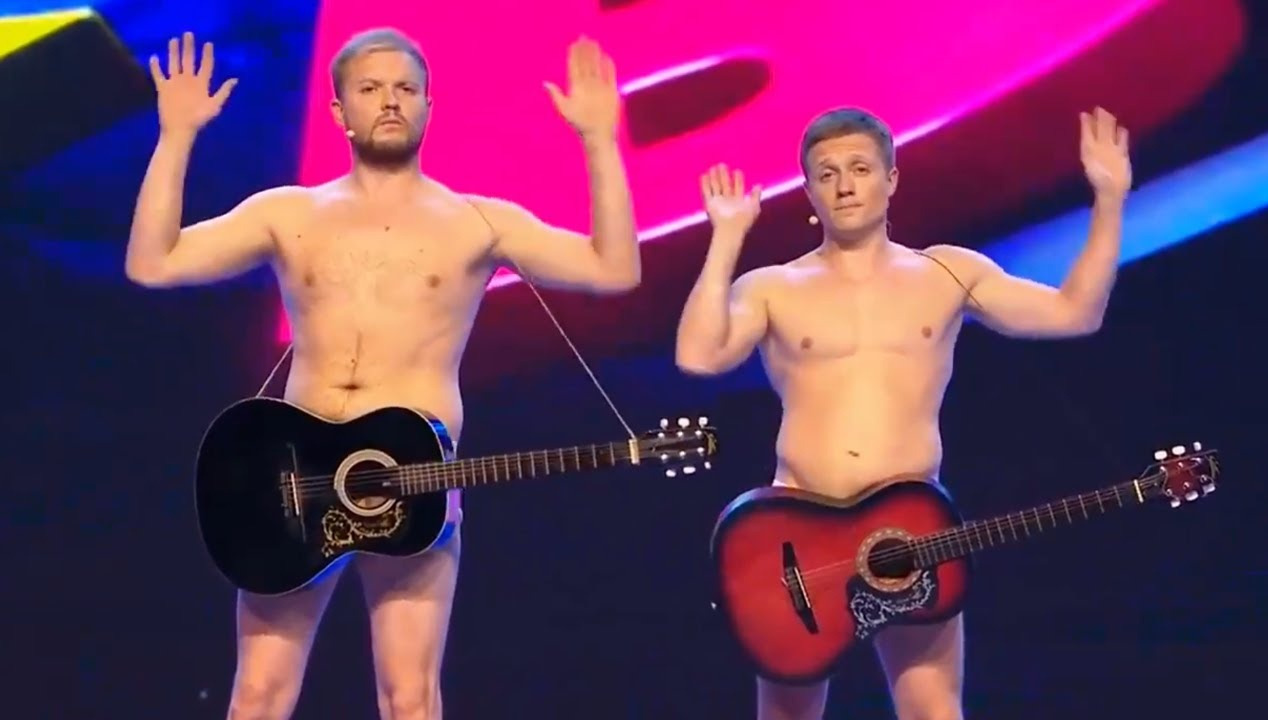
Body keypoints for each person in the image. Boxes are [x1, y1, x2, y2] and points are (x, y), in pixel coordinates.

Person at [125, 28, 640, 720]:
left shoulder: (476, 222)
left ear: (429, 105)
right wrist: (176, 136)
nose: (391, 102)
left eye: (406, 89)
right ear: (340, 112)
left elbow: (613, 270)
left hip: (414, 480)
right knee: (257, 696)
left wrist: (600, 142)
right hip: (296, 484)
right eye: (370, 90)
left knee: (410, 699)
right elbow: (152, 263)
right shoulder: (290, 212)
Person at [674, 105, 1131, 720]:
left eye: (860, 168)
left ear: (891, 179)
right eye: (827, 173)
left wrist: (1109, 200)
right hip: (796, 541)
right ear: (808, 192)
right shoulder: (772, 287)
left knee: (934, 712)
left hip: (910, 529)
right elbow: (698, 356)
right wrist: (727, 238)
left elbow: (1075, 313)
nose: (844, 185)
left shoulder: (947, 272)